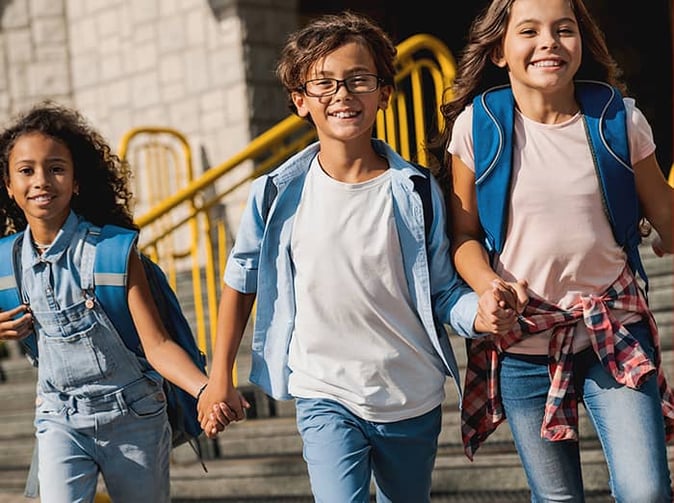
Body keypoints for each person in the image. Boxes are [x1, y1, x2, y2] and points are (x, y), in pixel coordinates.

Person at [196, 10, 517, 503]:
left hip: (410, 396)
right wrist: (220, 376)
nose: (342, 94)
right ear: (300, 101)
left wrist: (480, 311)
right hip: (324, 392)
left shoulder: (414, 191)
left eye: (358, 79)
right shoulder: (276, 194)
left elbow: (443, 292)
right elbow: (240, 282)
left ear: (385, 93)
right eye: (323, 84)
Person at [434, 0, 674, 501]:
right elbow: (465, 237)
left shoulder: (619, 120)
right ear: (499, 50)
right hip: (524, 346)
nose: (549, 41)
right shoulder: (477, 129)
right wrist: (488, 286)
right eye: (529, 31)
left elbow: (666, 214)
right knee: (557, 498)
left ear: (581, 43)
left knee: (646, 491)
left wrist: (664, 233)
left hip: (613, 330)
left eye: (564, 29)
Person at [0, 102, 214, 502]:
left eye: (56, 168)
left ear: (77, 181)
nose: (41, 180)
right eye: (26, 170)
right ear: (8, 186)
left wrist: (206, 390)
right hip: (59, 417)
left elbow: (158, 345)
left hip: (134, 419)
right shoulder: (4, 262)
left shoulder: (114, 252)